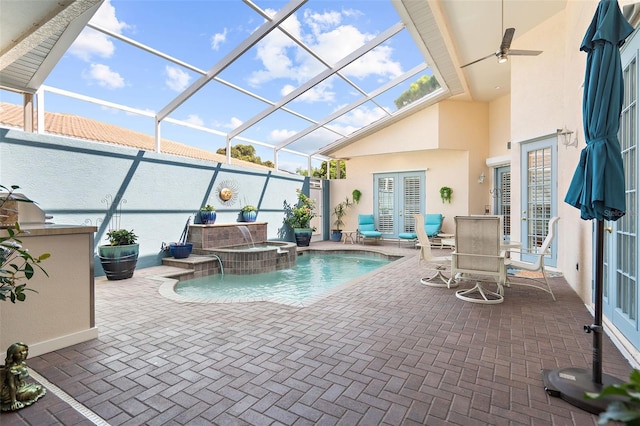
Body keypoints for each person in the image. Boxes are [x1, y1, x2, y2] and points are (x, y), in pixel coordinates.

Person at [0, 342, 46, 411]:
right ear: (13, 355)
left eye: (24, 351)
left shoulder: (22, 364)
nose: (23, 354)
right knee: (32, 392)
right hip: (13, 391)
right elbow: (11, 386)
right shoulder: (12, 369)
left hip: (21, 386)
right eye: (19, 352)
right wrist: (14, 401)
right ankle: (13, 399)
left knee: (39, 389)